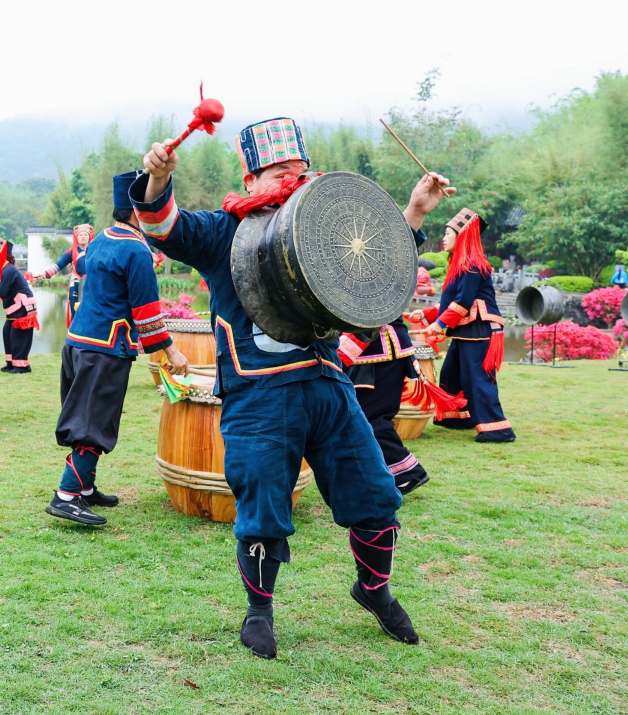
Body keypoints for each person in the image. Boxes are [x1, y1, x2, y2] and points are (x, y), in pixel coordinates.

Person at [131, 117, 455, 658]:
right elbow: (164, 227)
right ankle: (259, 611)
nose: (291, 178)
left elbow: (372, 260)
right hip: (258, 395)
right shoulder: (222, 232)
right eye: (278, 171)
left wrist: (416, 210)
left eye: (299, 171)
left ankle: (373, 590)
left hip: (329, 386)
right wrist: (159, 180)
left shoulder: (322, 230)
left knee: (375, 494)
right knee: (262, 504)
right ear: (251, 178)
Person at [48, 174, 185, 526]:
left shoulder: (99, 240)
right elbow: (146, 310)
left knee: (87, 414)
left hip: (78, 342)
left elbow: (83, 274)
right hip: (106, 348)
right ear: (142, 211)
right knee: (94, 421)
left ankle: (85, 488)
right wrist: (172, 352)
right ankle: (67, 495)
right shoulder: (136, 249)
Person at [426, 208, 514, 442]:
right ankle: (459, 417)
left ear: (462, 236)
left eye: (448, 233)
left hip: (481, 327)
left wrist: (440, 324)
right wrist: (425, 314)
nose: (444, 238)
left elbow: (463, 302)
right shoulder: (459, 264)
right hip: (468, 328)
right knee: (451, 373)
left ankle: (498, 429)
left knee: (478, 378)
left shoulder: (471, 263)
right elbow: (452, 301)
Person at [336, 314, 430, 494]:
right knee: (362, 418)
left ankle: (407, 473)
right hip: (367, 348)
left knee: (371, 419)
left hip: (376, 348)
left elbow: (376, 308)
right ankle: (374, 476)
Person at [0, 237, 38, 373]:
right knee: (7, 332)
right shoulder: (6, 270)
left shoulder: (9, 270)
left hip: (22, 306)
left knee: (18, 333)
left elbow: (2, 292)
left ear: (2, 255)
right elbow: (0, 286)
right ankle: (11, 363)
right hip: (15, 307)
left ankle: (22, 366)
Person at [39, 224, 94, 327]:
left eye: (85, 235)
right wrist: (45, 274)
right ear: (76, 237)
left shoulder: (95, 251)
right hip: (77, 281)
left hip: (92, 282)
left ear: (89, 237)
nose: (83, 236)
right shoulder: (72, 252)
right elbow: (59, 264)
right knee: (75, 306)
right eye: (80, 234)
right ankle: (76, 328)